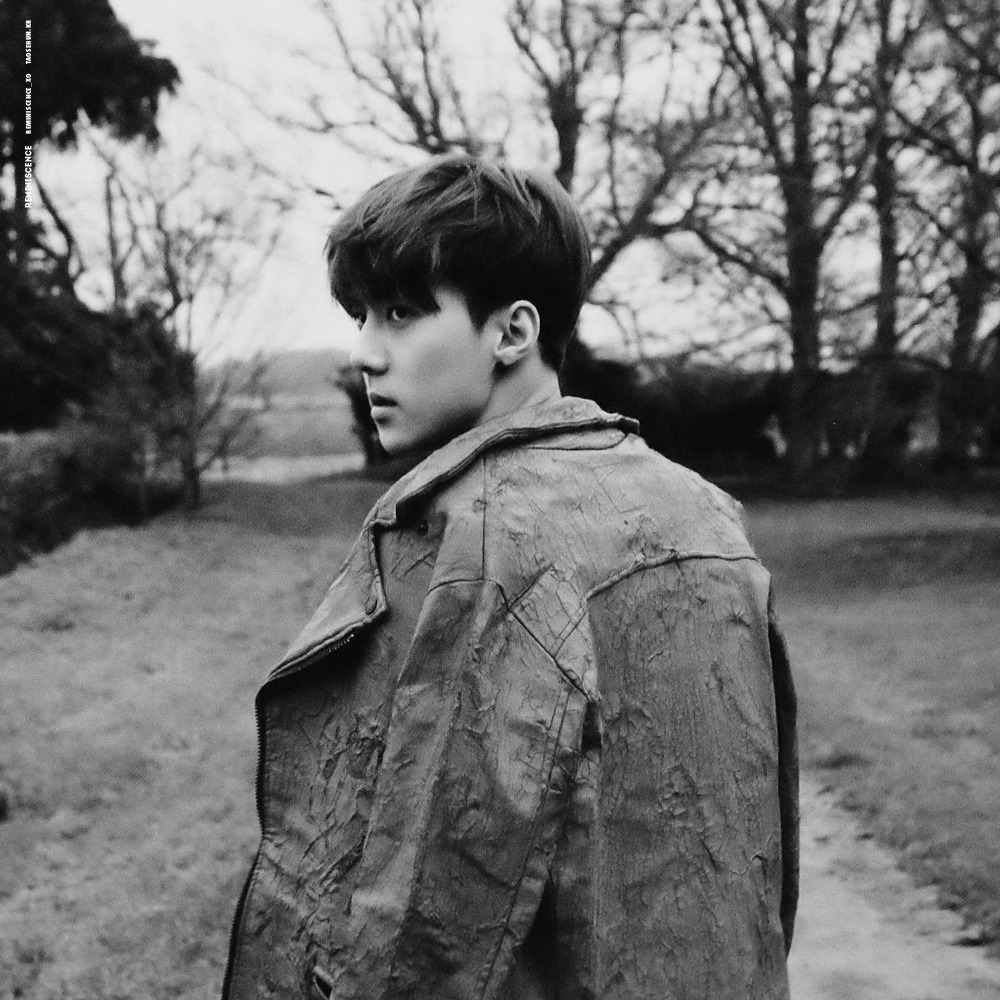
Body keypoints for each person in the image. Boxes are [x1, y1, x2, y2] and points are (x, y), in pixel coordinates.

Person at [221, 154, 798, 1000]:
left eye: (401, 313)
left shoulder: (478, 537)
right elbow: (762, 853)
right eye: (361, 316)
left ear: (512, 332)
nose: (366, 354)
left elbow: (428, 914)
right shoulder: (710, 517)